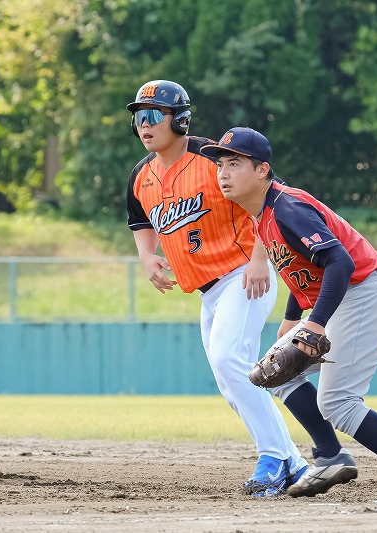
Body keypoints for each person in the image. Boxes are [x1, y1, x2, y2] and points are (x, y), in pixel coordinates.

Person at [200, 126, 377, 505]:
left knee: (338, 403)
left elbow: (339, 262)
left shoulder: (287, 208)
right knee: (275, 372)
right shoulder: (263, 214)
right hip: (348, 296)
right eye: (220, 165)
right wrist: (291, 319)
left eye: (234, 163)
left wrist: (315, 323)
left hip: (365, 293)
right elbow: (303, 270)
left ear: (262, 170)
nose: (223, 173)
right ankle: (330, 456)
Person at [125, 81, 309, 497]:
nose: (144, 125)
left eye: (153, 115)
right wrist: (147, 256)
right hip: (208, 292)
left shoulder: (214, 157)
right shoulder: (141, 175)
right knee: (231, 383)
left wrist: (261, 258)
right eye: (138, 117)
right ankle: (293, 463)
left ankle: (273, 459)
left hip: (242, 275)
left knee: (231, 360)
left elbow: (269, 198)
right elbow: (139, 220)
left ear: (180, 120)